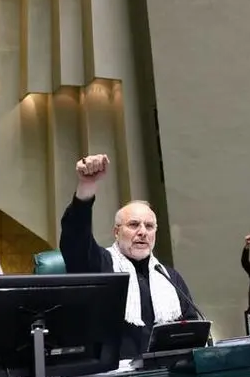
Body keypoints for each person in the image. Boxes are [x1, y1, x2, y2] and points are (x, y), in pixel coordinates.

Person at [59, 153, 199, 359]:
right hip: (114, 373)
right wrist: (87, 187)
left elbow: (192, 330)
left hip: (165, 371)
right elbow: (76, 238)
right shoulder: (100, 265)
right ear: (116, 232)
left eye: (149, 226)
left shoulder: (169, 277)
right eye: (133, 225)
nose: (142, 232)